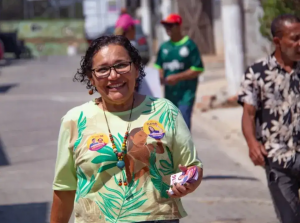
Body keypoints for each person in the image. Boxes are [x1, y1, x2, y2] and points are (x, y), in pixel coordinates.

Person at [50, 35, 203, 223]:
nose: (113, 75)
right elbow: (64, 187)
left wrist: (188, 181)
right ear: (91, 77)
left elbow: (192, 167)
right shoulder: (75, 120)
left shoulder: (165, 112)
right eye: (103, 69)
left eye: (121, 65)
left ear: (136, 69)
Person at [238, 14, 300, 223]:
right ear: (278, 41)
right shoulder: (257, 73)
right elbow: (248, 114)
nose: (299, 43)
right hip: (278, 160)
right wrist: (252, 143)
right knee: (290, 219)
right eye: (295, 38)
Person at [154, 14, 204, 130]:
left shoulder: (189, 45)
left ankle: (186, 148)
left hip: (186, 95)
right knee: (171, 130)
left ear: (178, 26)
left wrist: (177, 77)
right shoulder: (164, 47)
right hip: (170, 96)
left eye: (170, 26)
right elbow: (158, 66)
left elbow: (197, 68)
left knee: (183, 126)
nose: (168, 29)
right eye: (166, 26)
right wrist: (160, 75)